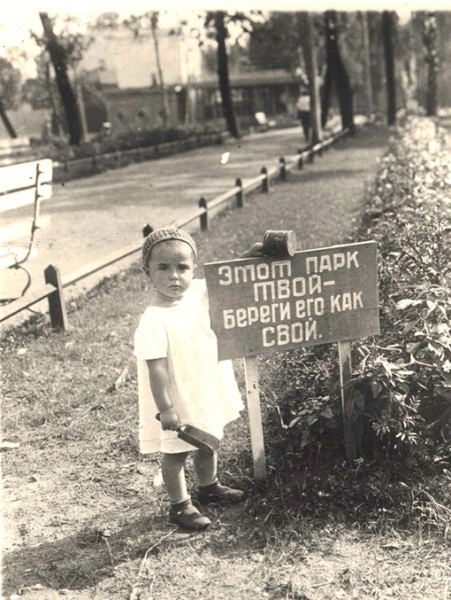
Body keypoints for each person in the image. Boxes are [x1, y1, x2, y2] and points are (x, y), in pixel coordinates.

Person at [134, 227, 263, 531]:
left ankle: (209, 487)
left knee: (207, 441)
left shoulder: (197, 292)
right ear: (147, 271)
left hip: (204, 386)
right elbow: (157, 369)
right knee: (175, 452)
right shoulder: (154, 319)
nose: (174, 276)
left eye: (182, 267)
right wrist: (166, 408)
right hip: (177, 397)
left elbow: (226, 276)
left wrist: (251, 256)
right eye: (163, 268)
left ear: (193, 268)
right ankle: (179, 506)